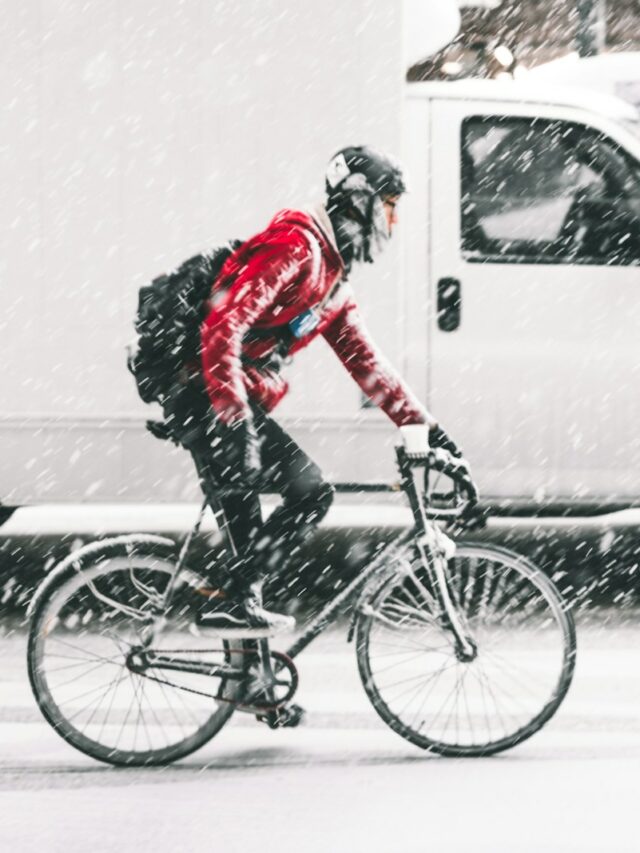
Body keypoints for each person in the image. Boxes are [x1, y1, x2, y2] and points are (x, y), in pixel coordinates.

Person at [166, 145, 469, 634]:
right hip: (206, 394)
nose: (392, 221)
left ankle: (249, 676)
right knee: (310, 494)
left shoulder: (332, 279)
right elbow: (223, 325)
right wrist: (234, 421)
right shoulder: (296, 249)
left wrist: (430, 434)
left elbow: (368, 367)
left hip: (223, 398)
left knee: (247, 570)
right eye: (388, 205)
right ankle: (234, 603)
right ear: (358, 201)